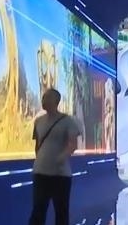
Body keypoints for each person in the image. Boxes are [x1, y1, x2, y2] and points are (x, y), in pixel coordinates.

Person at [29, 89, 82, 225]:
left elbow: (73, 145)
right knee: (38, 212)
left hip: (60, 174)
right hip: (40, 173)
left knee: (61, 213)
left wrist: (61, 158)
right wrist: (40, 160)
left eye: (47, 98)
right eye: (43, 97)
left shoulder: (67, 121)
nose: (44, 100)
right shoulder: (38, 121)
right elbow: (38, 145)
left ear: (56, 101)